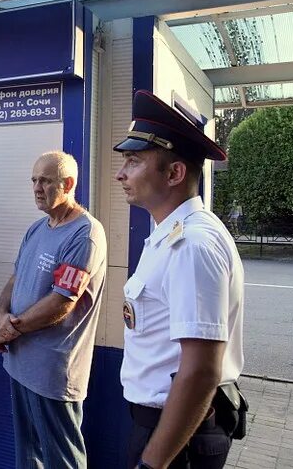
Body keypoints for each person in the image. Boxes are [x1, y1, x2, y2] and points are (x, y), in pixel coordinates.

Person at [114, 90, 245, 469]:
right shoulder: (169, 235)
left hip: (178, 437)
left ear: (174, 173)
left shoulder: (191, 244)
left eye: (134, 161)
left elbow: (202, 369)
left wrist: (153, 463)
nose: (121, 173)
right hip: (168, 426)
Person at [0, 151, 107, 469]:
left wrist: (12, 327)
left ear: (68, 183)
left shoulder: (85, 235)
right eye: (34, 180)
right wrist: (1, 315)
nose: (37, 187)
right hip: (20, 363)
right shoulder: (37, 229)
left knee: (62, 459)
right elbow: (16, 278)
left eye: (45, 180)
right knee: (28, 455)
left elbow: (62, 301)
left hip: (53, 372)